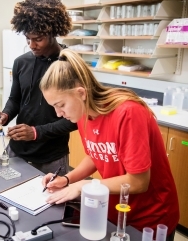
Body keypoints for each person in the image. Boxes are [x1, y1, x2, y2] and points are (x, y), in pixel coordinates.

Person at [39, 48, 179, 241]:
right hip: (118, 211)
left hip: (151, 218)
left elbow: (138, 182)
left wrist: (83, 186)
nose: (58, 114)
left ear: (81, 93)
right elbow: (96, 154)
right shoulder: (83, 114)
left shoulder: (128, 113)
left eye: (60, 105)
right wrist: (67, 179)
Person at [0, 0, 77, 176]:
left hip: (51, 155)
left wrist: (36, 132)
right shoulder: (21, 62)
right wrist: (5, 115)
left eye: (38, 39)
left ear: (52, 32)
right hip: (18, 149)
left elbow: (76, 120)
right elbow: (15, 99)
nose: (32, 45)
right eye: (28, 39)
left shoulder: (70, 64)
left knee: (52, 202)